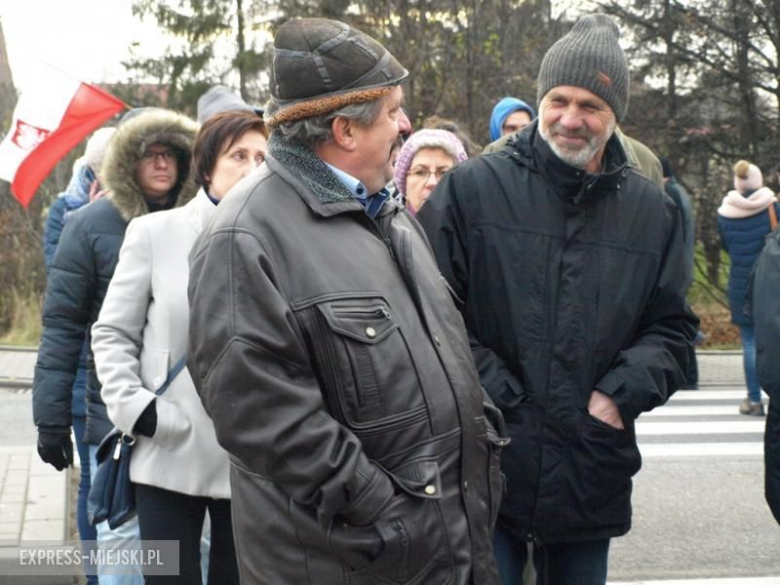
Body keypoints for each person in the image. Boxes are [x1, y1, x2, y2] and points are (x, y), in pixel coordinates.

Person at [187, 17, 506, 585]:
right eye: (392, 112)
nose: (406, 125)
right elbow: (262, 417)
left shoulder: (388, 214)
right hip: (353, 560)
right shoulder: (245, 236)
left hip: (437, 546)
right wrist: (384, 510)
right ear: (345, 130)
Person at [418, 13, 698, 584]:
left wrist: (617, 398)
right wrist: (499, 397)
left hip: (590, 470)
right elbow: (428, 313)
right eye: (559, 99)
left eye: (590, 105)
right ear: (542, 99)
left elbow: (672, 331)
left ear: (616, 114)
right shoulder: (473, 191)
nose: (571, 118)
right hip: (488, 460)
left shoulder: (654, 211)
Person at [91, 110, 266, 584]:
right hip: (168, 444)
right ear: (207, 166)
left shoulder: (284, 240)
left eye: (263, 158)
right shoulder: (155, 233)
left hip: (250, 456)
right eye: (239, 156)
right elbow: (111, 334)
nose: (253, 168)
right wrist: (138, 411)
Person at [33, 108, 197, 584]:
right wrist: (50, 418)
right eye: (151, 154)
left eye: (172, 154)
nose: (163, 164)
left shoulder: (200, 221)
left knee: (190, 553)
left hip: (189, 416)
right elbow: (63, 326)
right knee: (121, 542)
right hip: (114, 416)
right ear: (129, 161)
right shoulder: (88, 225)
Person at [41, 127, 114, 585]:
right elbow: (62, 284)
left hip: (119, 374)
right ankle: (95, 573)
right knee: (93, 483)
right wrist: (89, 216)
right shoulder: (65, 211)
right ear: (92, 168)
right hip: (85, 379)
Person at [718, 160, 778, 417]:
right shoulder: (773, 207)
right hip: (772, 282)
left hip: (741, 283)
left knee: (750, 343)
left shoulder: (724, 212)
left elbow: (726, 247)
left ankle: (754, 400)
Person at [660, 155, 700, 389]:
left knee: (680, 322)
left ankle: (690, 376)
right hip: (684, 265)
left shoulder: (670, 193)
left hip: (679, 268)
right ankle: (689, 375)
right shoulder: (680, 191)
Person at [393, 128, 467, 213]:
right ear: (405, 184)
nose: (432, 183)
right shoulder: (385, 224)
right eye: (420, 172)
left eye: (444, 173)